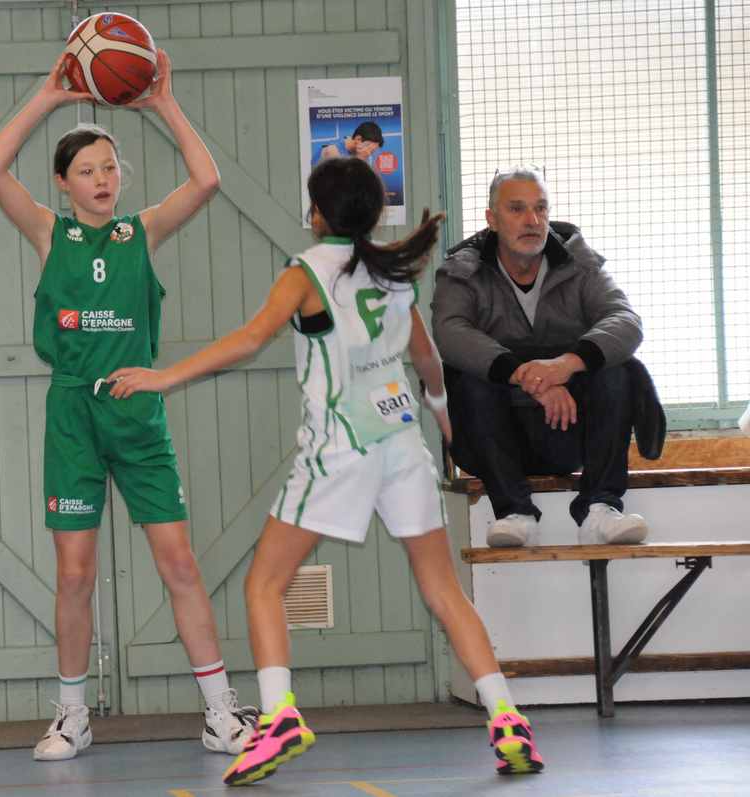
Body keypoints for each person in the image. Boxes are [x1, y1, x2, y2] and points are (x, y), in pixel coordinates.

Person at [107, 157, 545, 784]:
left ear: (317, 213)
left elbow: (249, 340)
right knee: (444, 589)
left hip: (341, 446)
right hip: (402, 444)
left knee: (264, 584)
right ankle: (507, 719)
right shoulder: (393, 274)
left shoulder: (306, 271)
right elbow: (427, 361)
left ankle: (279, 717)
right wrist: (445, 419)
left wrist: (163, 376)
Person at [0, 50, 258, 762]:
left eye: (109, 167)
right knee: (74, 573)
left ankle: (220, 712)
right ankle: (73, 715)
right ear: (63, 183)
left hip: (136, 411)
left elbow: (207, 180)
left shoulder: (142, 231)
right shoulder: (50, 233)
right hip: (73, 411)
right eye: (87, 170)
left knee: (180, 564)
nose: (102, 179)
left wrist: (163, 104)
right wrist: (48, 97)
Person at [432, 165, 660, 548]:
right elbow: (449, 332)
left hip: (569, 431)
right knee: (465, 375)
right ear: (491, 219)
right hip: (495, 437)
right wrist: (529, 376)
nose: (532, 220)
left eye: (540, 208)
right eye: (516, 209)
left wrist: (563, 366)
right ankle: (514, 512)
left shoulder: (581, 265)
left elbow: (625, 320)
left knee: (620, 369)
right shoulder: (463, 271)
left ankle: (600, 509)